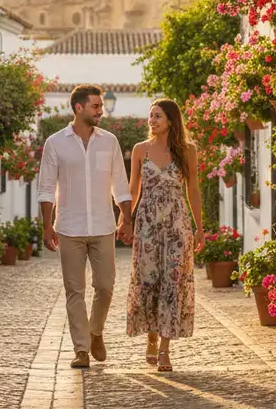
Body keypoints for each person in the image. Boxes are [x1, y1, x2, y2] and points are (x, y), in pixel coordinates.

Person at [38, 84, 133, 369]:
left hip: (103, 225)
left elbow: (121, 184)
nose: (100, 111)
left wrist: (126, 218)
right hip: (69, 227)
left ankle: (95, 332)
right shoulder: (55, 143)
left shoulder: (110, 142)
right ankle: (81, 349)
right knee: (74, 291)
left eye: (101, 106)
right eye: (95, 106)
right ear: (79, 108)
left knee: (105, 286)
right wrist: (46, 226)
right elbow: (46, 188)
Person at [125, 98, 204, 372]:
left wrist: (199, 227)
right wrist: (124, 220)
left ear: (171, 120)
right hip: (147, 224)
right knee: (148, 281)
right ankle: (150, 337)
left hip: (176, 224)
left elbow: (193, 190)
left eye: (158, 116)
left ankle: (165, 350)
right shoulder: (140, 150)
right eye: (150, 115)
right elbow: (133, 189)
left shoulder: (187, 151)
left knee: (172, 283)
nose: (152, 120)